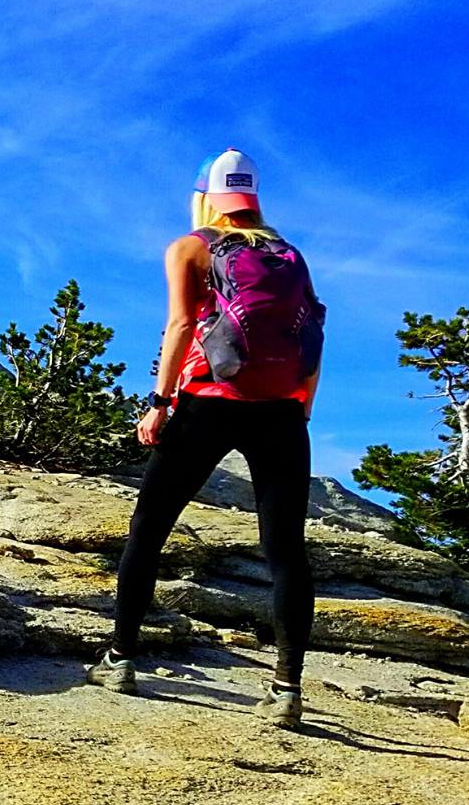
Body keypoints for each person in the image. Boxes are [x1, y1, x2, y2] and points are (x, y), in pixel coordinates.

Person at [87, 148, 326, 728]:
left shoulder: (191, 246)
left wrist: (158, 402)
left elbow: (180, 325)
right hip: (281, 413)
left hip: (207, 405)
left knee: (149, 529)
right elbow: (315, 330)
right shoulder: (288, 254)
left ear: (206, 198)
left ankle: (121, 657)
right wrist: (301, 407)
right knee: (286, 549)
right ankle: (286, 689)